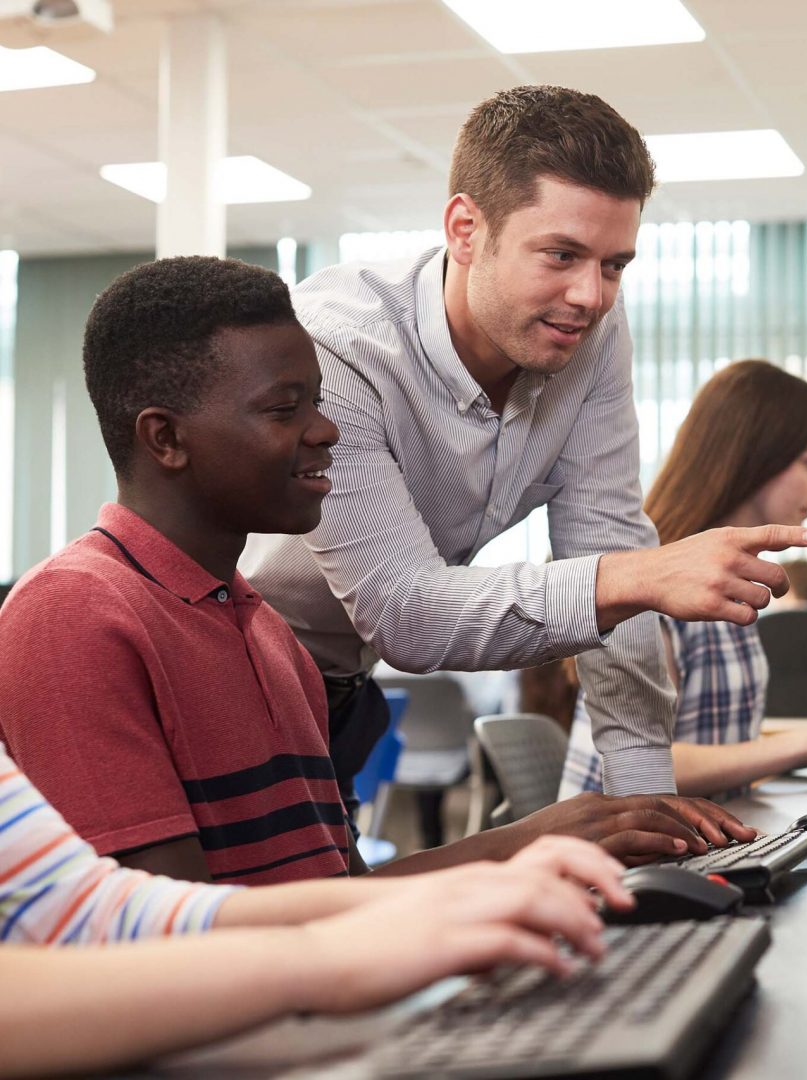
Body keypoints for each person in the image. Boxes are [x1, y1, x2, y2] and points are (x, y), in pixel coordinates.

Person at [0, 255, 755, 890]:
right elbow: (169, 944)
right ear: (166, 438)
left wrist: (541, 839)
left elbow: (341, 892)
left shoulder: (264, 630)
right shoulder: (74, 615)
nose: (327, 431)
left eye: (320, 402)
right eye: (285, 408)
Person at [240, 84, 807, 807]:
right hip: (231, 681)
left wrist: (653, 816)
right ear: (464, 230)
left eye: (614, 264)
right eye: (562, 254)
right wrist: (633, 577)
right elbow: (407, 615)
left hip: (342, 688)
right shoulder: (338, 349)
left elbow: (605, 535)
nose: (592, 296)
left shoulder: (588, 330)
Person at [0, 738, 632, 1076]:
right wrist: (325, 956)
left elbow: (83, 911)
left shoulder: (263, 625)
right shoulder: (71, 604)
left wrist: (447, 893)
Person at [561, 360, 807, 798]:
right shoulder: (654, 583)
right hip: (611, 856)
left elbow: (722, 753)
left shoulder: (732, 584)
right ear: (754, 460)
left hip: (698, 845)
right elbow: (641, 765)